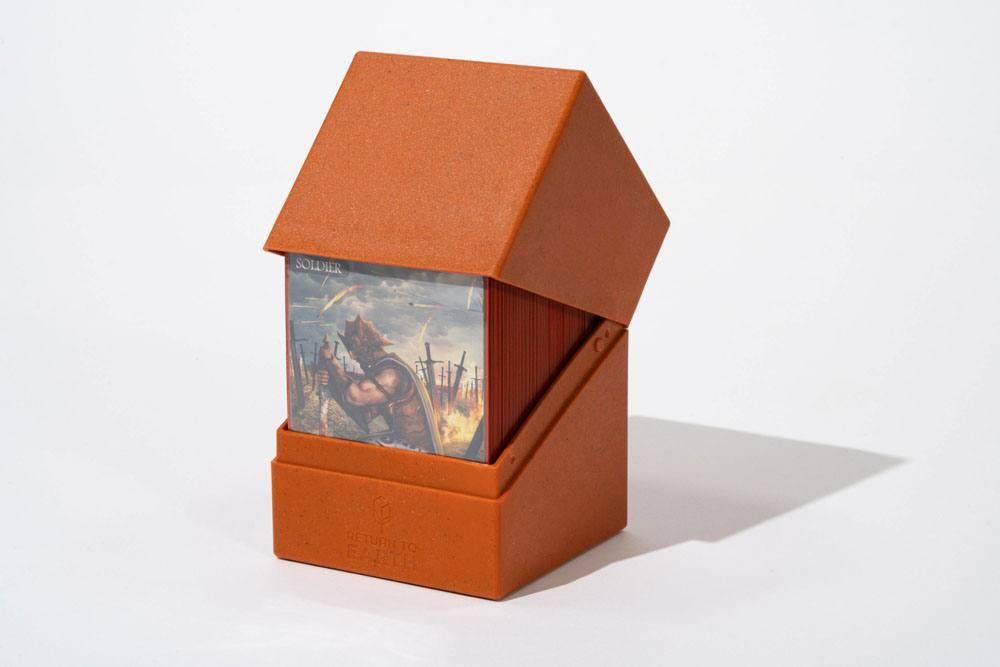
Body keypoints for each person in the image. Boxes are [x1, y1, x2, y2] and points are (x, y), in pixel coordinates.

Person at [325, 315, 443, 454]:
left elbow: (355, 397)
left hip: (418, 450)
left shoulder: (391, 375)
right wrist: (331, 375)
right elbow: (364, 416)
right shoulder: (385, 368)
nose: (353, 357)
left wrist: (332, 365)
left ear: (367, 348)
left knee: (354, 451)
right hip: (405, 442)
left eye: (355, 351)